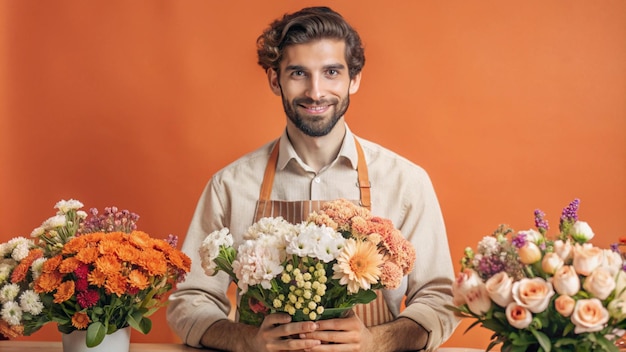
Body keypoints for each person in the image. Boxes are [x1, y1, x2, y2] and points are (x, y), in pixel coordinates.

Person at [167, 6, 458, 352]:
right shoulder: (230, 185)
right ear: (276, 80)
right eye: (298, 73)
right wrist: (249, 340)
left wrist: (375, 342)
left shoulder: (406, 182)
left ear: (354, 79)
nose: (316, 91)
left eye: (331, 72)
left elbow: (440, 300)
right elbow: (189, 300)